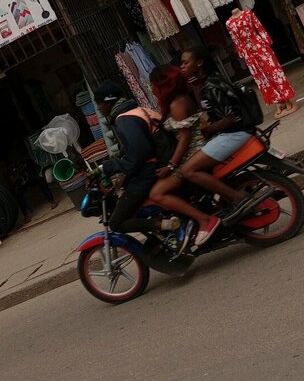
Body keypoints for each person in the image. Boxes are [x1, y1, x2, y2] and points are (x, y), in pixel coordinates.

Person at [179, 45, 269, 221]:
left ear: (199, 63)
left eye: (185, 63)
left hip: (234, 133)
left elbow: (231, 118)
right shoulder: (205, 82)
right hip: (230, 133)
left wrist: (206, 130)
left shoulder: (212, 85)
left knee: (188, 170)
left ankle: (237, 198)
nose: (182, 67)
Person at [148, 65, 221, 248]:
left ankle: (204, 219)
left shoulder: (176, 104)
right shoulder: (182, 98)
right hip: (196, 149)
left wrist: (171, 166)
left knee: (157, 193)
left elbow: (185, 138)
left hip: (192, 154)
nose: (151, 88)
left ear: (162, 85)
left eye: (152, 84)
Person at [94, 81, 177, 233]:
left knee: (116, 223)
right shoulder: (136, 111)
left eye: (99, 103)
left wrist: (107, 167)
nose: (99, 108)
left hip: (149, 170)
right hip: (162, 159)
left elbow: (139, 154)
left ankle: (161, 224)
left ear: (108, 102)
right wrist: (120, 154)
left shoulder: (125, 119)